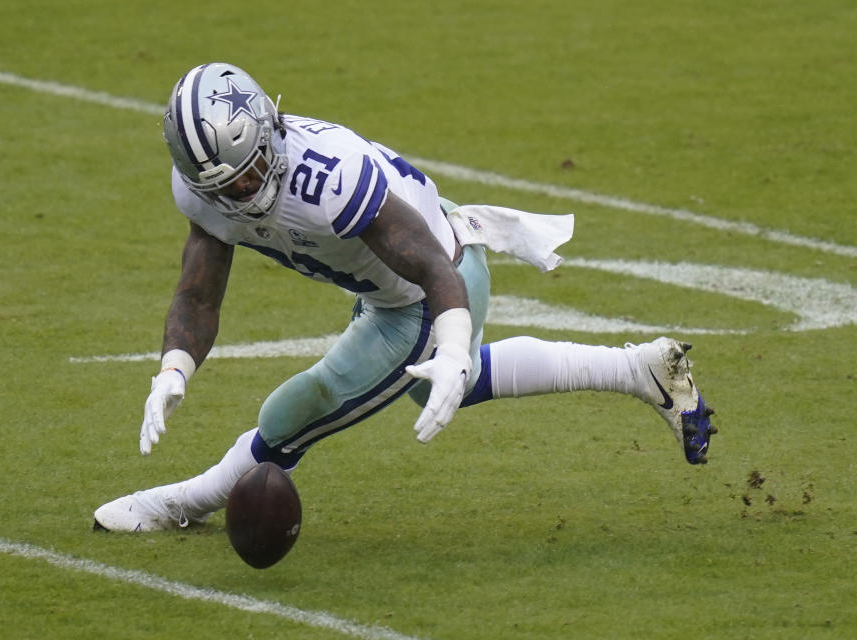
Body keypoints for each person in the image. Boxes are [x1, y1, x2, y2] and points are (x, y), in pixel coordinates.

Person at [93, 63, 716, 532]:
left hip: (429, 281)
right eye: (227, 184)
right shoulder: (205, 193)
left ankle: (180, 504)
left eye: (252, 170)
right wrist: (173, 369)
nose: (245, 191)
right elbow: (198, 296)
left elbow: (431, 268)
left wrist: (448, 345)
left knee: (297, 410)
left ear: (270, 128)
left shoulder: (325, 179)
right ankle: (640, 369)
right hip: (400, 278)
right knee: (444, 382)